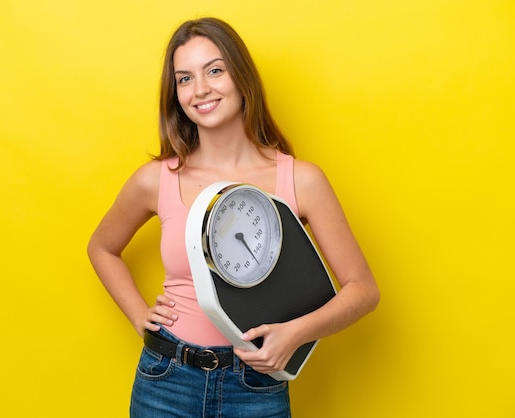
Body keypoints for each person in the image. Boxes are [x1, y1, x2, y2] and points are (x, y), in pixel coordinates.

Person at [87, 17, 379, 417]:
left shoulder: (300, 180)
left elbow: (362, 289)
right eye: (184, 79)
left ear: (242, 77)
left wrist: (293, 335)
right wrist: (141, 316)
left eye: (214, 70)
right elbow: (102, 247)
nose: (201, 89)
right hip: (165, 381)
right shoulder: (156, 179)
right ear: (175, 94)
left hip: (256, 386)